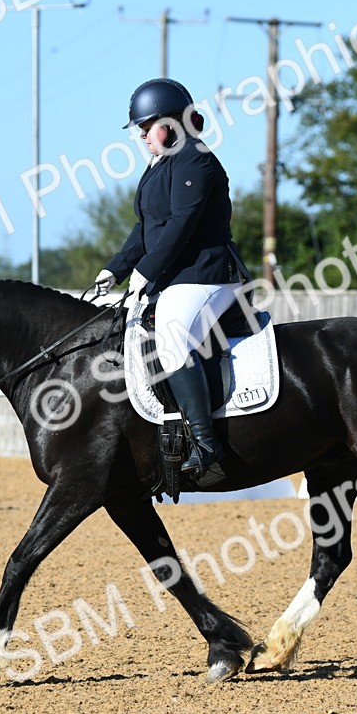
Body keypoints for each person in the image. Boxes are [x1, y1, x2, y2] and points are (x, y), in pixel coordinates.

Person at [93, 78, 249, 477]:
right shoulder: (158, 167)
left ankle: (206, 442)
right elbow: (145, 229)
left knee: (172, 332)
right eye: (141, 131)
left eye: (148, 128)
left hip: (208, 274)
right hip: (177, 275)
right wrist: (115, 268)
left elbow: (182, 224)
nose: (143, 137)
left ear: (174, 123)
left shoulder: (196, 158)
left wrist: (145, 271)